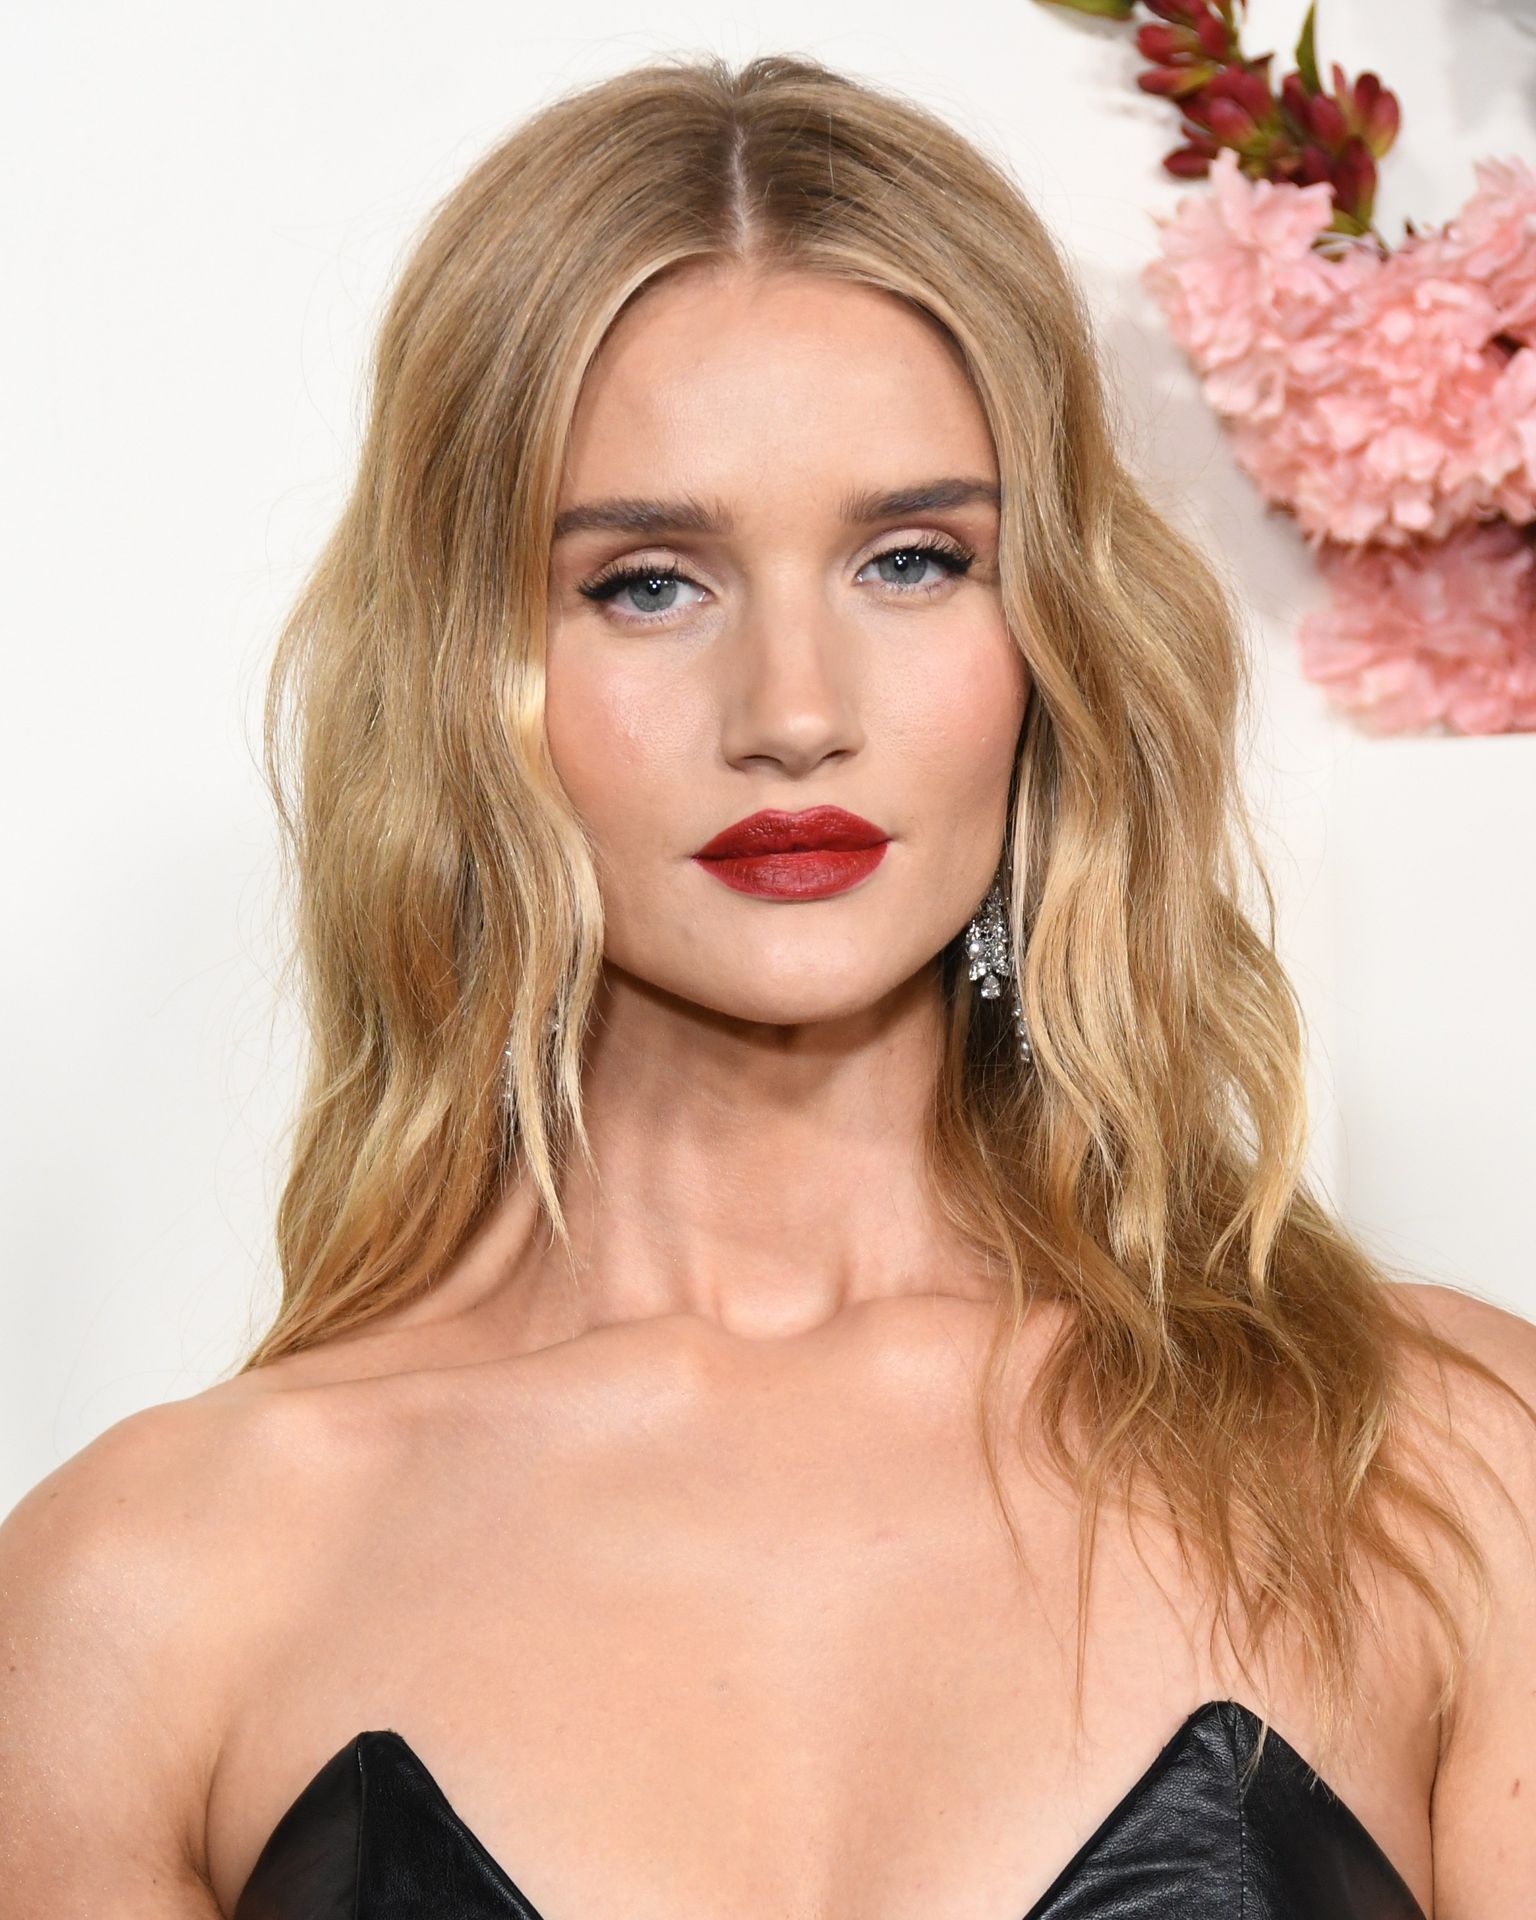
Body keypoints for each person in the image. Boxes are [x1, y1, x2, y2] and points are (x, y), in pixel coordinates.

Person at [2, 49, 1533, 1920]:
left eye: (913, 560)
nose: (794, 711)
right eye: (648, 582)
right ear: (468, 676)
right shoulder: (144, 1590)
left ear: (1055, 633)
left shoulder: (1439, 1468)